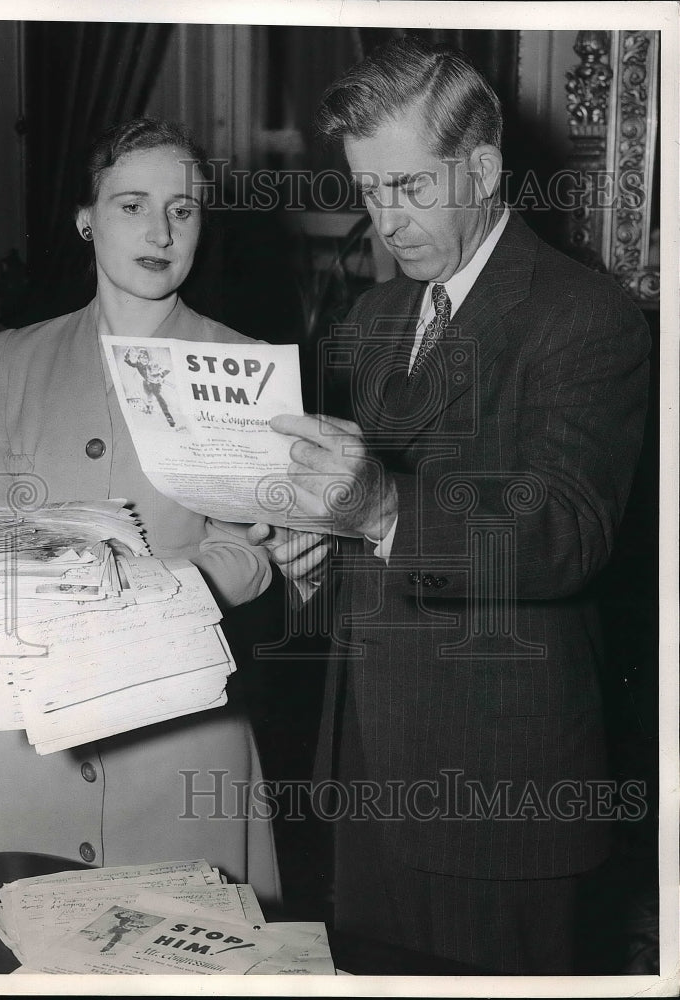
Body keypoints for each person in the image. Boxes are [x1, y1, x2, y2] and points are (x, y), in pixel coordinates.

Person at [248, 38, 651, 972]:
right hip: (367, 769)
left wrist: (381, 506)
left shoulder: (586, 317)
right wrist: (315, 547)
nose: (385, 221)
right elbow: (364, 522)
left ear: (480, 170)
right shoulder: (375, 320)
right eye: (369, 190)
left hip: (498, 789)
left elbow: (567, 531)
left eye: (410, 189)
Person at [0, 118, 281, 906]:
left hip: (181, 735)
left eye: (183, 211)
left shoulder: (238, 365)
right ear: (87, 218)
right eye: (132, 205)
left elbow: (248, 555)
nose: (160, 230)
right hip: (38, 729)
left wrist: (145, 601)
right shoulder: (13, 357)